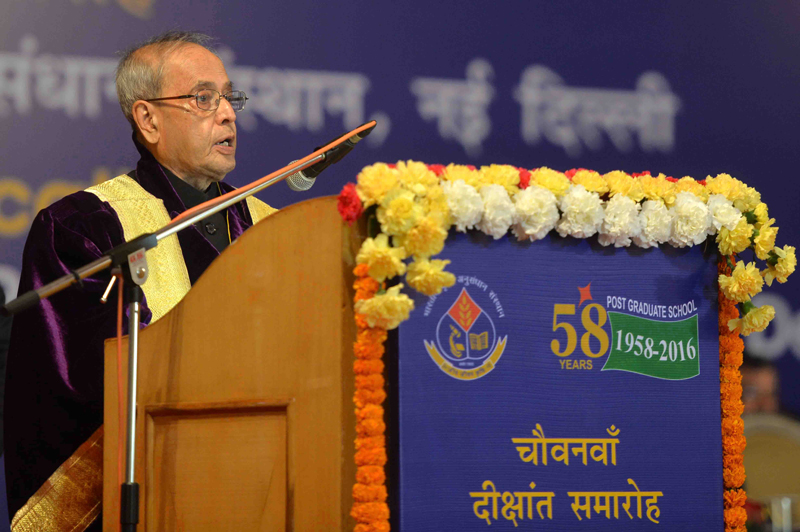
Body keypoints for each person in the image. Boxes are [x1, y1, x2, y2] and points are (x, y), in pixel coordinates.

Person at [4, 31, 275, 531]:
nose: (228, 114)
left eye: (229, 97)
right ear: (148, 119)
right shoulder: (86, 227)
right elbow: (68, 384)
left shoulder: (275, 228)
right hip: (153, 493)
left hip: (270, 482)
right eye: (203, 98)